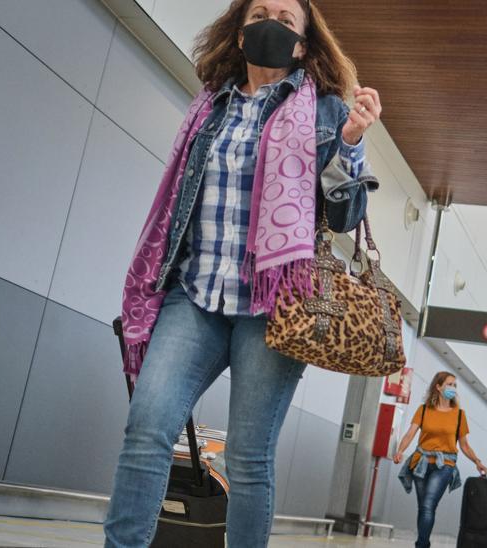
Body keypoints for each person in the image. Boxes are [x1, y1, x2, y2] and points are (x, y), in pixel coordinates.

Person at [105, 0, 382, 546]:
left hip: (274, 305)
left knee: (248, 456)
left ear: (303, 44)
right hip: (196, 293)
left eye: (284, 19)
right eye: (259, 14)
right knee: (147, 427)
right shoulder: (210, 106)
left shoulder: (326, 110)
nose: (269, 25)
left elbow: (345, 216)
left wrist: (350, 142)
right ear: (238, 34)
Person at [393, 372, 487, 548]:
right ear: (438, 387)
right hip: (421, 463)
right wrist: (400, 450)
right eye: (449, 384)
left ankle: (421, 546)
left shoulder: (459, 415)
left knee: (428, 505)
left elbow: (464, 445)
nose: (453, 388)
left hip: (445, 465)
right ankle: (423, 543)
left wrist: (477, 461)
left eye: (455, 385)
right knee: (423, 507)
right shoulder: (423, 410)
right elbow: (410, 434)